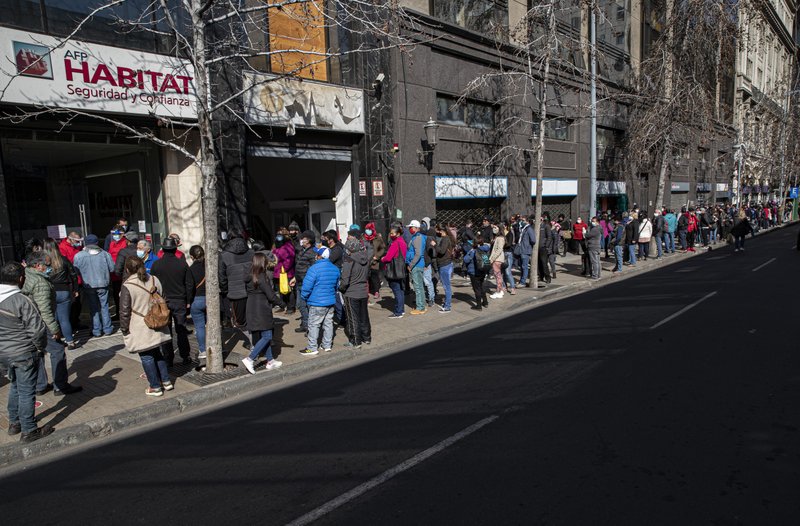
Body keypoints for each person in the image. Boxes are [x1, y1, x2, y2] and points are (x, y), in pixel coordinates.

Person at [0, 261, 53, 442]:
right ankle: (29, 430)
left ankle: (14, 423)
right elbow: (37, 330)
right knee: (26, 392)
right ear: (21, 279)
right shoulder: (22, 300)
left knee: (15, 386)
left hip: (4, 354)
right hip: (23, 352)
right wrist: (40, 347)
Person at [23, 251, 83, 397]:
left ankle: (40, 385)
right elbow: (45, 310)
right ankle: (60, 385)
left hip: (30, 323)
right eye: (47, 265)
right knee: (57, 351)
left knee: (38, 353)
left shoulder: (27, 275)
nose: (50, 267)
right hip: (42, 324)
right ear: (38, 266)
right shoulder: (40, 283)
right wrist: (55, 329)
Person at [119, 256, 173, 396]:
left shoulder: (128, 286)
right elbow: (164, 298)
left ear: (127, 269)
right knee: (157, 352)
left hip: (140, 325)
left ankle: (155, 387)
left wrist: (124, 330)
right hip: (158, 322)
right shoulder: (154, 279)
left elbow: (124, 311)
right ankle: (166, 381)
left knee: (146, 356)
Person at [151, 237, 194, 366]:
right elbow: (190, 284)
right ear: (175, 249)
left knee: (166, 331)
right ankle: (185, 356)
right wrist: (188, 300)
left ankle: (168, 358)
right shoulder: (182, 264)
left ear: (163, 249)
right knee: (181, 330)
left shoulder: (156, 265)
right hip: (179, 300)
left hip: (163, 302)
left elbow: (152, 285)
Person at [241, 252, 283, 374]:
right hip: (262, 309)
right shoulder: (262, 276)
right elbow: (271, 295)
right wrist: (282, 304)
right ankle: (250, 359)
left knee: (265, 335)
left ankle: (270, 361)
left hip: (251, 307)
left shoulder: (250, 275)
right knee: (267, 336)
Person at [299, 247, 341, 356]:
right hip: (330, 301)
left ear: (319, 256)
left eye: (317, 254)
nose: (315, 256)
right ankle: (327, 345)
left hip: (317, 302)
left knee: (313, 325)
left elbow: (306, 287)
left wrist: (304, 297)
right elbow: (336, 285)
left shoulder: (314, 269)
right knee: (328, 323)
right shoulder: (335, 268)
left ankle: (312, 348)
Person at [73, 234, 115, 338]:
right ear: (97, 243)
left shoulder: (79, 256)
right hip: (103, 284)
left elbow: (76, 271)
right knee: (104, 306)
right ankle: (108, 329)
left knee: (93, 308)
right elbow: (112, 268)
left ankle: (96, 330)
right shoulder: (105, 254)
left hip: (89, 285)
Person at [43, 239, 79, 350]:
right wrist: (75, 289)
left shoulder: (43, 263)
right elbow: (73, 275)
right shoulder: (63, 260)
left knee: (53, 318)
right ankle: (70, 342)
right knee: (64, 319)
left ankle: (56, 340)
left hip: (49, 292)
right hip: (64, 291)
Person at [219, 230, 254, 330]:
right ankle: (255, 341)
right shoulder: (251, 252)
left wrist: (225, 291)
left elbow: (222, 276)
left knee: (240, 321)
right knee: (252, 317)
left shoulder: (224, 256)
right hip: (251, 290)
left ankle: (252, 342)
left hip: (235, 293)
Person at [340, 237, 371, 348]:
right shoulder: (366, 258)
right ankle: (366, 337)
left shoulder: (349, 260)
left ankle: (355, 341)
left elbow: (345, 279)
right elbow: (368, 274)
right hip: (363, 291)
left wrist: (341, 288)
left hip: (351, 292)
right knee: (364, 316)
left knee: (353, 317)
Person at [292, 231, 317, 333]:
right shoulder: (303, 250)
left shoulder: (312, 252)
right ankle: (305, 323)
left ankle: (309, 326)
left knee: (305, 305)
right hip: (299, 281)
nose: (302, 240)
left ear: (309, 240)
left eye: (304, 239)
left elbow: (313, 269)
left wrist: (308, 281)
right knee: (301, 305)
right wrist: (295, 278)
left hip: (306, 283)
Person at [381, 226, 408, 319]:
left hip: (394, 271)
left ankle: (398, 312)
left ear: (398, 234)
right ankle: (402, 310)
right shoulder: (403, 242)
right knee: (400, 290)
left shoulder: (395, 243)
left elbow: (388, 257)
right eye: (390, 233)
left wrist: (383, 259)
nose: (391, 235)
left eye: (392, 233)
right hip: (401, 270)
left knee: (396, 291)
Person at [188, 245, 207, 359]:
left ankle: (203, 350)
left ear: (191, 256)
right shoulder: (209, 267)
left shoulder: (190, 270)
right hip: (210, 299)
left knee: (200, 327)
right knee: (212, 325)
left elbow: (189, 287)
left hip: (197, 299)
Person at [405, 219, 428, 315]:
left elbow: (418, 254)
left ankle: (420, 308)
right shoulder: (417, 237)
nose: (410, 229)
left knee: (417, 287)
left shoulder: (417, 238)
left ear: (416, 228)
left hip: (416, 265)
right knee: (419, 287)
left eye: (411, 227)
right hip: (418, 265)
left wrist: (411, 265)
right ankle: (422, 305)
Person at [272, 229, 296, 314]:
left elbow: (289, 260)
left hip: (286, 272)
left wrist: (284, 269)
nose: (278, 236)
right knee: (281, 290)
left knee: (288, 290)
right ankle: (283, 306)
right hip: (277, 272)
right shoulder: (277, 245)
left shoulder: (288, 246)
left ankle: (291, 307)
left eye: (280, 234)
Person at [464, 235, 490, 310]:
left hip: (474, 272)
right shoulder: (485, 248)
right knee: (482, 286)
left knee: (476, 289)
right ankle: (485, 302)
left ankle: (478, 306)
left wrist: (470, 251)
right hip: (483, 270)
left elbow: (466, 260)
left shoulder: (473, 251)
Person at [434, 223, 456, 311]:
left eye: (436, 229)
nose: (436, 231)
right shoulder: (448, 238)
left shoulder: (445, 239)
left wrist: (435, 245)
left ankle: (447, 306)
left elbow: (442, 251)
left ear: (441, 230)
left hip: (444, 264)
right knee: (446, 285)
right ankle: (447, 303)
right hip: (446, 263)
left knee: (446, 286)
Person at [106, 227, 128, 319]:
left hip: (124, 273)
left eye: (118, 234)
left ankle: (125, 312)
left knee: (125, 294)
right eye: (114, 234)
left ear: (122, 234)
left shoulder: (126, 243)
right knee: (116, 294)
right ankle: (119, 313)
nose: (116, 236)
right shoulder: (111, 244)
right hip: (114, 274)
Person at [364, 222, 386, 305]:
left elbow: (382, 248)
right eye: (366, 229)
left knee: (374, 276)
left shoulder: (377, 238)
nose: (368, 231)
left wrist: (377, 256)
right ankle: (367, 292)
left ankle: (376, 291)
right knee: (366, 278)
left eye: (369, 230)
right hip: (365, 261)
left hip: (374, 261)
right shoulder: (363, 238)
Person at [514, 216, 536, 287]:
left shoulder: (529, 229)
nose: (521, 222)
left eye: (523, 220)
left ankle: (523, 282)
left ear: (527, 221)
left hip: (525, 250)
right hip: (521, 250)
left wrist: (527, 245)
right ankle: (521, 281)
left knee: (524, 266)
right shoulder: (523, 228)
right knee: (521, 267)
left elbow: (533, 240)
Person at [488, 224, 507, 299]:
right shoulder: (498, 237)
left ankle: (498, 291)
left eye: (496, 227)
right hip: (497, 259)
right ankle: (500, 290)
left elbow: (499, 250)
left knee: (498, 276)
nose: (494, 228)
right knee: (498, 276)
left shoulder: (500, 238)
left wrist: (492, 258)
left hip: (497, 259)